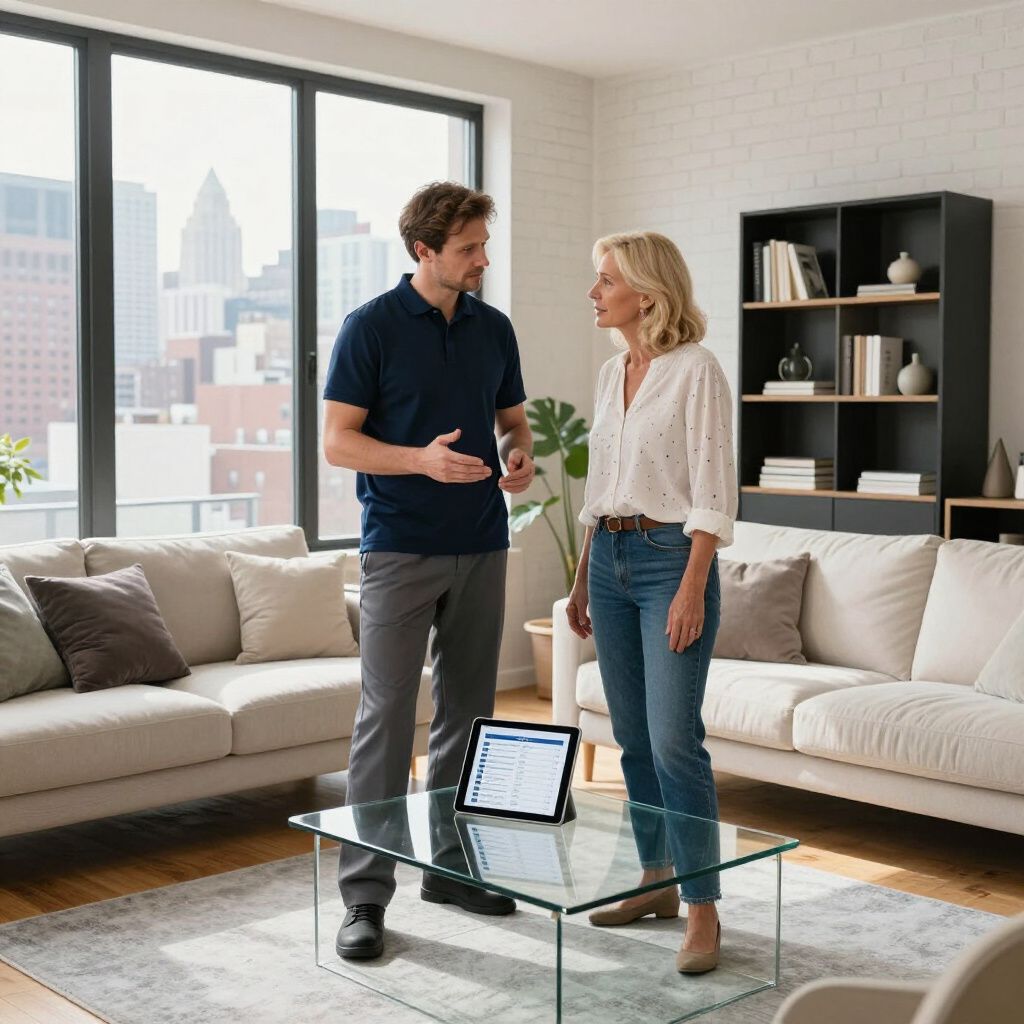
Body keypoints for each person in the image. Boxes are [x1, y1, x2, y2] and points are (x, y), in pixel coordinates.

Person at [322, 181, 534, 960]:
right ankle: (365, 896)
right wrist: (418, 461)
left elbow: (514, 419)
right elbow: (338, 441)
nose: (482, 259)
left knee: (471, 715)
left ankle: (450, 867)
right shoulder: (370, 328)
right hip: (400, 546)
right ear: (424, 251)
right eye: (469, 248)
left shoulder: (494, 328)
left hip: (483, 540)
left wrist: (519, 455)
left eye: (484, 244)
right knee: (385, 719)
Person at [565, 230, 737, 974]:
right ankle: (655, 879)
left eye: (606, 281)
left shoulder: (696, 371)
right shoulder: (612, 374)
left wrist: (694, 585)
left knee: (674, 741)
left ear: (647, 291)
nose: (595, 293)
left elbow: (712, 489)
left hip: (673, 562)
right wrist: (580, 578)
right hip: (609, 558)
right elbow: (601, 488)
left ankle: (704, 910)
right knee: (631, 738)